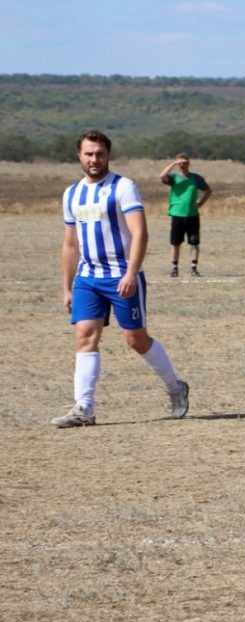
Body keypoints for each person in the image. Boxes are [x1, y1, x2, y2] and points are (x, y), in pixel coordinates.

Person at [52, 130, 189, 428]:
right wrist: (67, 287)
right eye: (88, 153)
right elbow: (70, 244)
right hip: (88, 278)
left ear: (108, 155)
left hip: (121, 276)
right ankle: (84, 408)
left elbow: (140, 232)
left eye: (99, 153)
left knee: (135, 339)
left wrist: (130, 272)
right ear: (79, 155)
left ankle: (175, 388)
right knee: (85, 335)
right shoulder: (72, 194)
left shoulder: (123, 187)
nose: (94, 159)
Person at [159, 154, 211, 277]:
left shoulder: (196, 178)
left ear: (189, 163)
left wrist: (201, 203)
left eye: (185, 162)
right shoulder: (174, 178)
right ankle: (174, 268)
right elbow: (162, 176)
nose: (183, 165)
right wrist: (173, 163)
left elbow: (208, 190)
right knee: (176, 243)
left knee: (194, 242)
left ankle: (194, 268)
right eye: (180, 163)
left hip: (192, 215)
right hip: (177, 214)